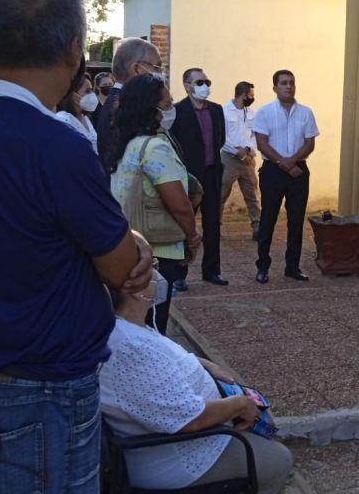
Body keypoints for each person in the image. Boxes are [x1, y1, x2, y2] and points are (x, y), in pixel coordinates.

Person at [0, 0, 154, 493]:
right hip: (37, 397)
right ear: (75, 50)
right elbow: (123, 268)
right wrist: (132, 241)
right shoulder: (54, 144)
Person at [99, 283, 294, 493]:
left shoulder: (128, 328)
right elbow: (191, 419)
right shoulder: (130, 347)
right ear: (133, 288)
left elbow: (165, 359)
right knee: (280, 460)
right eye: (150, 266)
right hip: (182, 460)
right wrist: (239, 405)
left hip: (194, 440)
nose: (157, 273)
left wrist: (205, 365)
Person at [104, 73, 202, 334]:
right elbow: (179, 203)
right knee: (153, 325)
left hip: (129, 243)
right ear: (153, 108)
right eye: (168, 103)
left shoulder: (126, 142)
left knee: (134, 324)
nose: (171, 108)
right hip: (159, 250)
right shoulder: (155, 146)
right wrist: (192, 236)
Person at [253, 69, 319, 284]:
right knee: (268, 219)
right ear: (275, 88)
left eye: (291, 82)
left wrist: (292, 162)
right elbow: (262, 143)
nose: (288, 86)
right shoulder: (264, 112)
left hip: (299, 171)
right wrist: (284, 163)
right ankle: (262, 266)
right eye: (283, 83)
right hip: (273, 170)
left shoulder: (306, 113)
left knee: (296, 220)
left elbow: (310, 143)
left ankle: (293, 266)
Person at [170, 67, 228, 286]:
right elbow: (175, 144)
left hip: (213, 173)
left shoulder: (216, 110)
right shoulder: (178, 112)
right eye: (200, 82)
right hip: (189, 177)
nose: (205, 86)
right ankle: (178, 274)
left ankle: (212, 271)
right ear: (187, 86)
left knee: (213, 224)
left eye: (207, 81)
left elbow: (220, 139)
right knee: (185, 224)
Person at [97, 38, 164, 157]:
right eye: (156, 67)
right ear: (137, 69)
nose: (160, 73)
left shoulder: (121, 101)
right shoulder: (120, 106)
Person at [222, 81, 262, 242]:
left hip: (248, 159)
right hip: (229, 158)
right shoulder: (224, 111)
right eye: (251, 95)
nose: (252, 98)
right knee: (221, 193)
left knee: (252, 193)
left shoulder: (251, 112)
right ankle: (213, 226)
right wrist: (237, 151)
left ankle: (258, 227)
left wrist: (248, 150)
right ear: (243, 94)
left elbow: (255, 135)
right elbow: (221, 136)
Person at [54, 74, 99, 153]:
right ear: (73, 95)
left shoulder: (84, 117)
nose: (92, 94)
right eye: (87, 91)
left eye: (92, 90)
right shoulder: (63, 119)